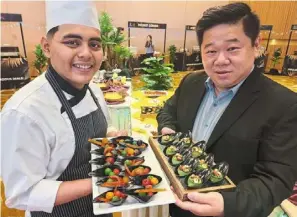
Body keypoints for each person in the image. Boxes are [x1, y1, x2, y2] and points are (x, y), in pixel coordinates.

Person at [157, 2, 297, 217]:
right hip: (177, 204)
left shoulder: (285, 105)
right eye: (211, 51)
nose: (221, 60)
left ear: (256, 44)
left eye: (232, 48)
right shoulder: (191, 82)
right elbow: (168, 111)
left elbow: (275, 179)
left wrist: (226, 204)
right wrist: (167, 130)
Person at [1, 1, 127, 217]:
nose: (86, 53)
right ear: (47, 47)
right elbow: (22, 193)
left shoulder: (94, 91)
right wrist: (97, 182)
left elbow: (96, 138)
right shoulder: (24, 112)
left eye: (94, 45)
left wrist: (113, 139)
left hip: (101, 207)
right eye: (72, 42)